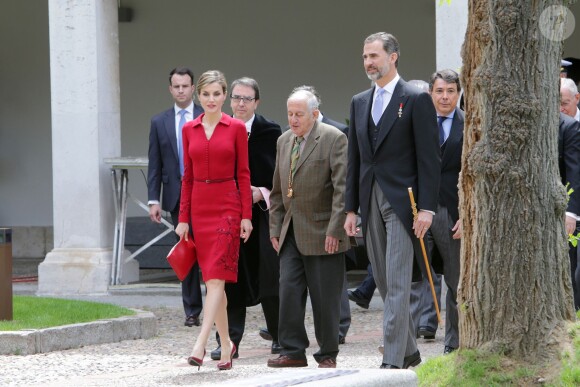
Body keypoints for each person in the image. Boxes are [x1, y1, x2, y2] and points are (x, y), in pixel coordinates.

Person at [344, 32, 440, 369]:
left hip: (405, 204)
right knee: (384, 281)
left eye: (374, 56)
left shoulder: (416, 98)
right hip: (369, 200)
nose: (369, 62)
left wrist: (427, 208)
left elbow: (430, 159)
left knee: (398, 280)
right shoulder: (358, 102)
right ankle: (411, 350)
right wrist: (351, 208)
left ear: (393, 57)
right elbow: (355, 160)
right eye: (365, 56)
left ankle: (394, 359)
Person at [175, 70, 253, 371]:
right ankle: (228, 344)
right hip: (199, 210)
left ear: (225, 97)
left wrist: (246, 214)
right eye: (205, 94)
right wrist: (183, 218)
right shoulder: (189, 129)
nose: (211, 99)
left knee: (217, 279)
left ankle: (201, 344)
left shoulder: (235, 128)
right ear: (199, 96)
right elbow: (187, 177)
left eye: (217, 94)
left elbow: (243, 174)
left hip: (227, 207)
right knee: (212, 283)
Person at [268, 89, 349, 369]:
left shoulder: (333, 138)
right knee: (288, 290)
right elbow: (278, 192)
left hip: (323, 230)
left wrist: (335, 229)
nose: (293, 119)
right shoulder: (283, 141)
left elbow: (342, 189)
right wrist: (274, 229)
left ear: (314, 114)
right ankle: (292, 350)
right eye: (290, 113)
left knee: (325, 298)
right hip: (290, 230)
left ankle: (327, 353)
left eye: (299, 114)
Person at [210, 77, 282, 360]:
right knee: (230, 278)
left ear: (257, 102)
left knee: (270, 277)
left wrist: (260, 193)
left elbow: (279, 174)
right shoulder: (219, 128)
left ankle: (280, 337)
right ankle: (228, 341)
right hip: (229, 216)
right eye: (236, 98)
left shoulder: (270, 131)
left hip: (263, 216)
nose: (240, 104)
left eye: (246, 99)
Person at [147, 67, 204, 327]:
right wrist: (153, 199)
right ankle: (191, 310)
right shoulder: (159, 122)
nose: (181, 90)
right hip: (175, 195)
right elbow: (155, 164)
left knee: (210, 250)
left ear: (193, 88)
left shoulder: (206, 117)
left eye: (185, 86)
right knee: (186, 249)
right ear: (170, 89)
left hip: (205, 192)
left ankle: (219, 304)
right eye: (176, 86)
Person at [418, 69, 464, 354]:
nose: (445, 96)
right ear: (430, 94)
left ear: (458, 94)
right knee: (412, 276)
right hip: (419, 209)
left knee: (455, 278)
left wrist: (467, 215)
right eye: (439, 91)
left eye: (450, 91)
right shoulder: (417, 124)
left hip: (452, 211)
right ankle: (404, 339)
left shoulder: (469, 124)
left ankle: (454, 342)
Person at [559, 78, 580, 311]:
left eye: (564, 102)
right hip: (570, 208)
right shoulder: (559, 126)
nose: (560, 108)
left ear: (577, 99)